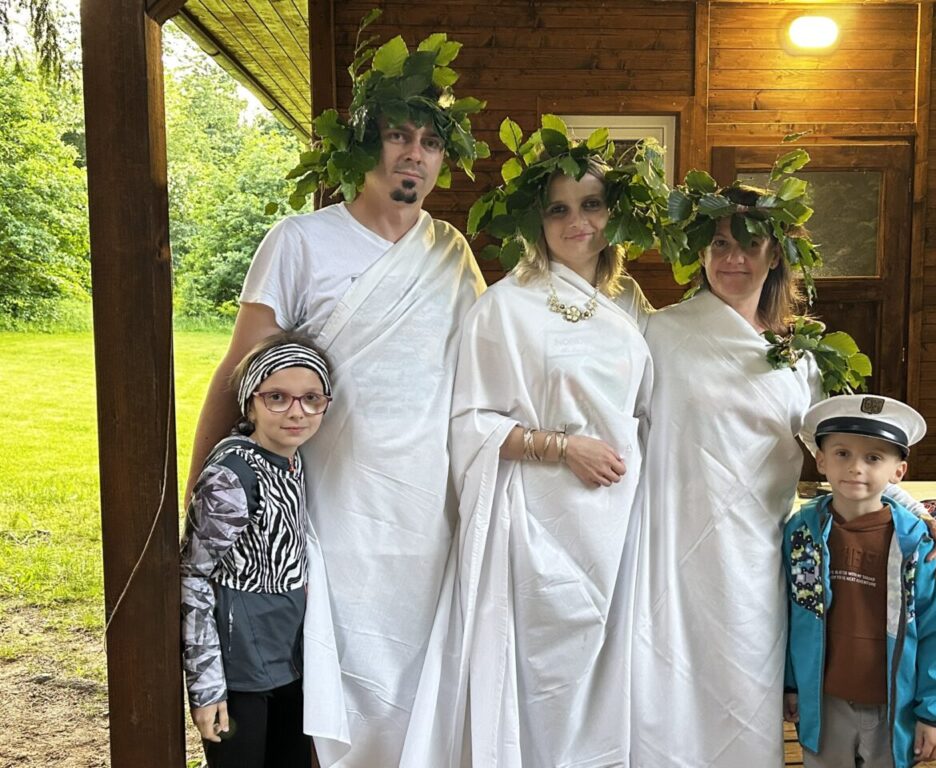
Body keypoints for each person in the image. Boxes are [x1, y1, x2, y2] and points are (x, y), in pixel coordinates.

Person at [183, 24, 487, 767]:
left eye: (430, 142)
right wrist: (200, 498)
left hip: (425, 505)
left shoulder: (451, 252)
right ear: (361, 144)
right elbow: (239, 369)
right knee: (326, 673)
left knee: (417, 675)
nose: (414, 153)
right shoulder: (299, 241)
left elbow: (491, 368)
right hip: (326, 499)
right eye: (398, 135)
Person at [632, 184, 936, 767]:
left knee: (746, 685)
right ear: (700, 251)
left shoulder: (800, 357)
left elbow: (846, 454)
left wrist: (915, 512)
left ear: (775, 254)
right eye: (719, 244)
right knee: (670, 682)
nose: (732, 258)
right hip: (673, 545)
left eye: (749, 245)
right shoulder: (661, 334)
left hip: (762, 552)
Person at [399, 139, 655, 766]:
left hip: (615, 522)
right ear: (535, 221)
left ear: (613, 214)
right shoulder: (504, 307)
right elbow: (471, 422)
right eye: (558, 209)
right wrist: (565, 448)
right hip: (536, 524)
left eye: (591, 205)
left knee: (604, 674)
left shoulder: (630, 305)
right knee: (539, 675)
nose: (577, 222)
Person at [180, 333, 332, 768]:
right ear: (251, 404)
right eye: (277, 398)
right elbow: (193, 575)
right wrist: (207, 687)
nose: (296, 412)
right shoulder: (233, 477)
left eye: (311, 398)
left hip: (289, 659)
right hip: (241, 668)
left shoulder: (293, 460)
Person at [784, 394, 936, 767]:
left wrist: (933, 713)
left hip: (893, 708)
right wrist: (790, 684)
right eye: (842, 453)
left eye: (874, 458)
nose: (856, 468)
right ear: (820, 460)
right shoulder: (801, 533)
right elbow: (788, 615)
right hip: (823, 704)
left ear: (899, 471)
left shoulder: (914, 545)